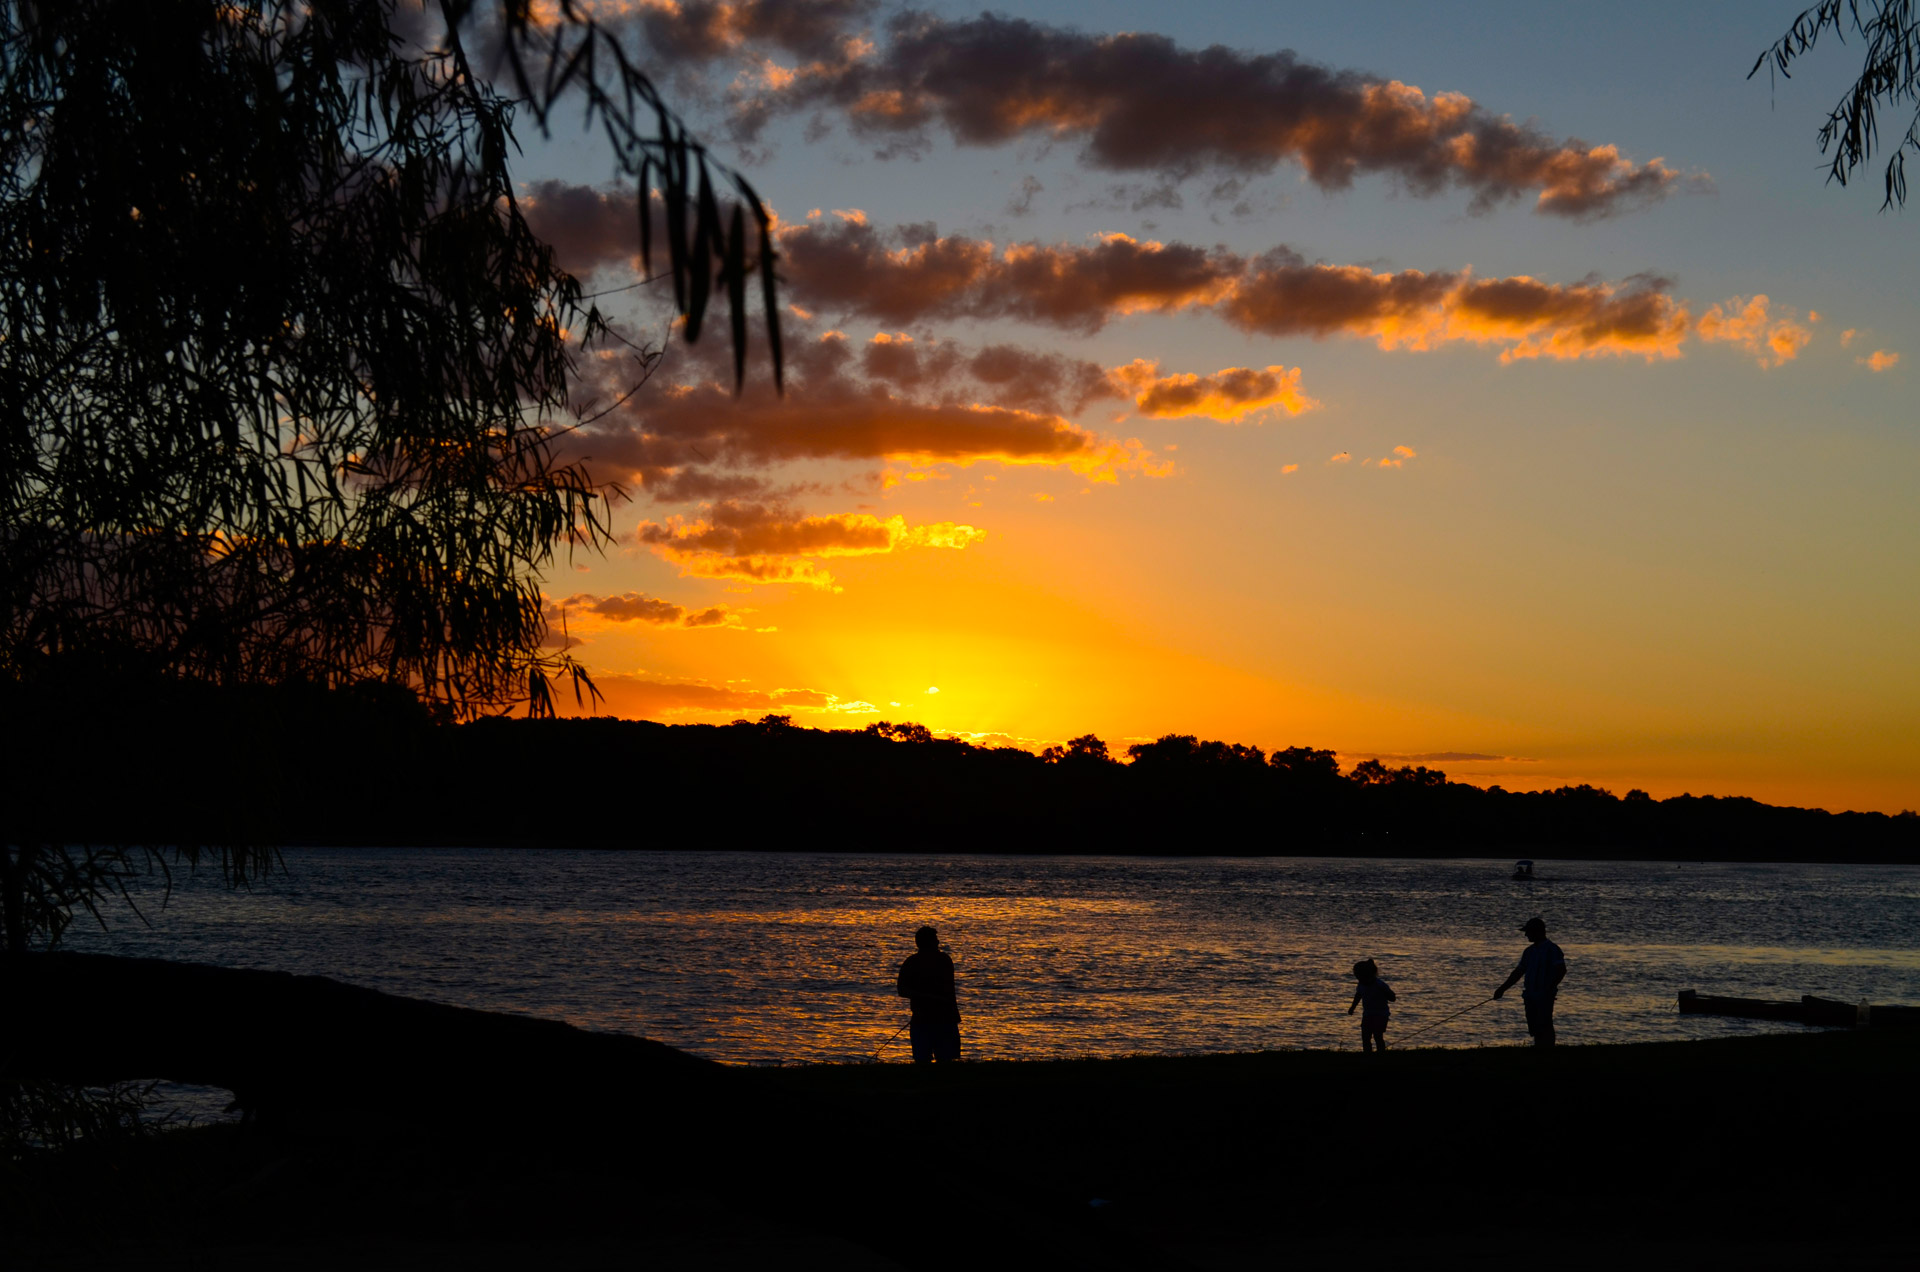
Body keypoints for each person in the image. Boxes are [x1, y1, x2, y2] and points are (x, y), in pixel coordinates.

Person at [1494, 916, 1567, 1046]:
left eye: (1528, 932)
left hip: (1545, 994)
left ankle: (1547, 1049)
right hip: (1530, 994)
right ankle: (1539, 1047)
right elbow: (1518, 973)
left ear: (1537, 932)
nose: (1526, 935)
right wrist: (1502, 989)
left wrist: (1549, 988)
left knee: (1545, 1023)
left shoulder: (1552, 949)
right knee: (1534, 1025)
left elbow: (1561, 970)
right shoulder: (1528, 952)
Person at [896, 925, 961, 1063]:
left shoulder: (913, 962)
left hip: (935, 1018)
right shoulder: (943, 960)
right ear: (929, 942)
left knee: (928, 1059)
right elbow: (902, 990)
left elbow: (902, 990)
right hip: (936, 1019)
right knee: (940, 1059)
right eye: (935, 940)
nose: (938, 943)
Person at [1347, 958, 1396, 1053]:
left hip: (1381, 1015)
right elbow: (1358, 995)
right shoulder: (1361, 985)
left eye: (1358, 975)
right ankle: (1367, 1054)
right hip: (1367, 1014)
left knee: (1378, 1036)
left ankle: (1380, 1053)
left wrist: (1385, 994)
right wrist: (1352, 1007)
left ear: (1367, 974)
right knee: (1365, 1036)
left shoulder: (1380, 985)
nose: (1357, 978)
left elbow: (1392, 997)